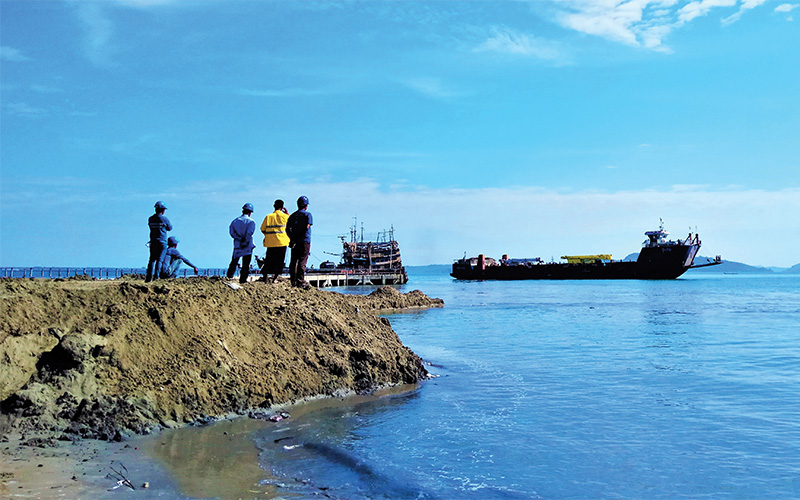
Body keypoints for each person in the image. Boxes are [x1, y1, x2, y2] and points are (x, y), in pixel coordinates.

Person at [260, 199, 290, 282]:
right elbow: (291, 223)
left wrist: (269, 236)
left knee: (269, 260)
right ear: (282, 207)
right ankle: (275, 278)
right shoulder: (285, 217)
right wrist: (287, 213)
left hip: (271, 242)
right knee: (280, 262)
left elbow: (262, 229)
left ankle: (265, 276)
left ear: (274, 206)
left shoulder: (268, 217)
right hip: (282, 242)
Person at [286, 195, 313, 289]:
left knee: (293, 261)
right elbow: (307, 226)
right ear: (306, 206)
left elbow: (287, 229)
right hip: (305, 241)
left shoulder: (292, 216)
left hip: (294, 241)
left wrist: (292, 238)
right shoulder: (307, 215)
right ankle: (300, 281)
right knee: (302, 261)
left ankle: (293, 281)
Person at [227, 203, 256, 283]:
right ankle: (243, 279)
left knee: (234, 261)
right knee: (246, 264)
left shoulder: (235, 221)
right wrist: (245, 240)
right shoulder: (251, 222)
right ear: (250, 212)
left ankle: (229, 276)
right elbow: (249, 233)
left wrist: (239, 238)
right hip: (247, 245)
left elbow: (232, 233)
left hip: (238, 244)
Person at [146, 201, 172, 282]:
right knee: (159, 260)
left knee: (151, 260)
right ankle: (156, 277)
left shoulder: (150, 219)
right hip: (162, 242)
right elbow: (170, 228)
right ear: (163, 210)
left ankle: (148, 277)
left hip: (153, 242)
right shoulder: (164, 219)